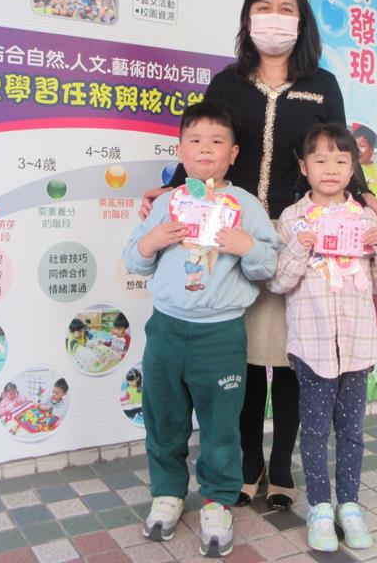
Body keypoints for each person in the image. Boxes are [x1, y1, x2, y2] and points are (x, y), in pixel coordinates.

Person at [139, 0, 377, 514]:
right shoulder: (227, 82)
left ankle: (281, 467)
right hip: (238, 235)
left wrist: (365, 195)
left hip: (302, 233)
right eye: (264, 6)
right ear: (249, 16)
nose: (274, 17)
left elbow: (338, 148)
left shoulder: (322, 83)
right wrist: (174, 188)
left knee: (297, 354)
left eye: (286, 8)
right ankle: (249, 463)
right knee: (248, 355)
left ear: (301, 21)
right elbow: (208, 145)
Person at [123, 101, 279, 558]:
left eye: (216, 141)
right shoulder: (167, 203)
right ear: (180, 150)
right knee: (163, 419)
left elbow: (269, 266)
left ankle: (217, 501)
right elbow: (133, 259)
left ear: (233, 153)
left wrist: (247, 246)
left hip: (221, 334)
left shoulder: (245, 205)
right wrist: (151, 241)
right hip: (167, 330)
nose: (205, 148)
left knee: (220, 425)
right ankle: (167, 494)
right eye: (194, 140)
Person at [268, 123, 377, 551]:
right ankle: (321, 508)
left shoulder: (365, 217)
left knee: (352, 431)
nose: (330, 168)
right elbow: (278, 282)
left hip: (358, 345)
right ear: (303, 167)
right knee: (313, 430)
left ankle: (350, 506)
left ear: (353, 168)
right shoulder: (292, 219)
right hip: (313, 345)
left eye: (341, 160)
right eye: (320, 160)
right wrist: (300, 247)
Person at [353, 125, 377, 203]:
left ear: (372, 149)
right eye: (354, 146)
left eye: (361, 145)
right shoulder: (353, 169)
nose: (357, 150)